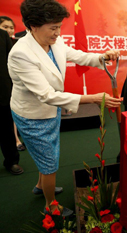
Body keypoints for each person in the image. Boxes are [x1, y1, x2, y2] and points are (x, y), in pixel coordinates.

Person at [8, 0, 121, 216]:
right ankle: (51, 205)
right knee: (49, 160)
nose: (58, 32)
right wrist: (92, 98)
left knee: (47, 152)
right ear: (33, 26)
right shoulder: (21, 53)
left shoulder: (54, 42)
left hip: (52, 108)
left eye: (59, 26)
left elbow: (78, 56)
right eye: (53, 27)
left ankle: (42, 186)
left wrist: (101, 56)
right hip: (32, 114)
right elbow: (46, 94)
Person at [0, 16, 26, 151]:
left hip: (12, 87)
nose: (9, 30)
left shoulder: (18, 45)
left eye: (11, 27)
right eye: (5, 27)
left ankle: (16, 139)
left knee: (10, 117)